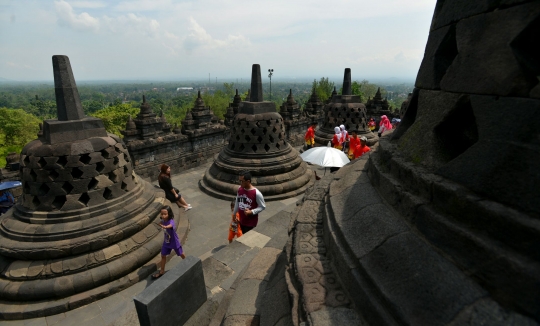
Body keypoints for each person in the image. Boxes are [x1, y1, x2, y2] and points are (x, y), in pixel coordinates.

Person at [153, 205, 185, 279]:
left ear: (169, 214)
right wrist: (161, 224)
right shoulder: (163, 220)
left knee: (180, 253)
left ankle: (187, 261)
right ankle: (162, 270)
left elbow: (171, 225)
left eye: (165, 214)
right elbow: (160, 222)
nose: (163, 216)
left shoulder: (171, 221)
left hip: (174, 241)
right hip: (167, 241)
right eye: (162, 214)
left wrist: (165, 226)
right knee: (163, 254)